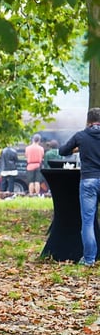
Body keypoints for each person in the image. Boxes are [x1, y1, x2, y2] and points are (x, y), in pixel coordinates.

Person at [59, 107, 100, 266]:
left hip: (88, 181)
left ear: (88, 121)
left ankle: (89, 259)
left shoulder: (81, 135)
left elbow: (62, 151)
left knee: (88, 221)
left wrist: (78, 147)